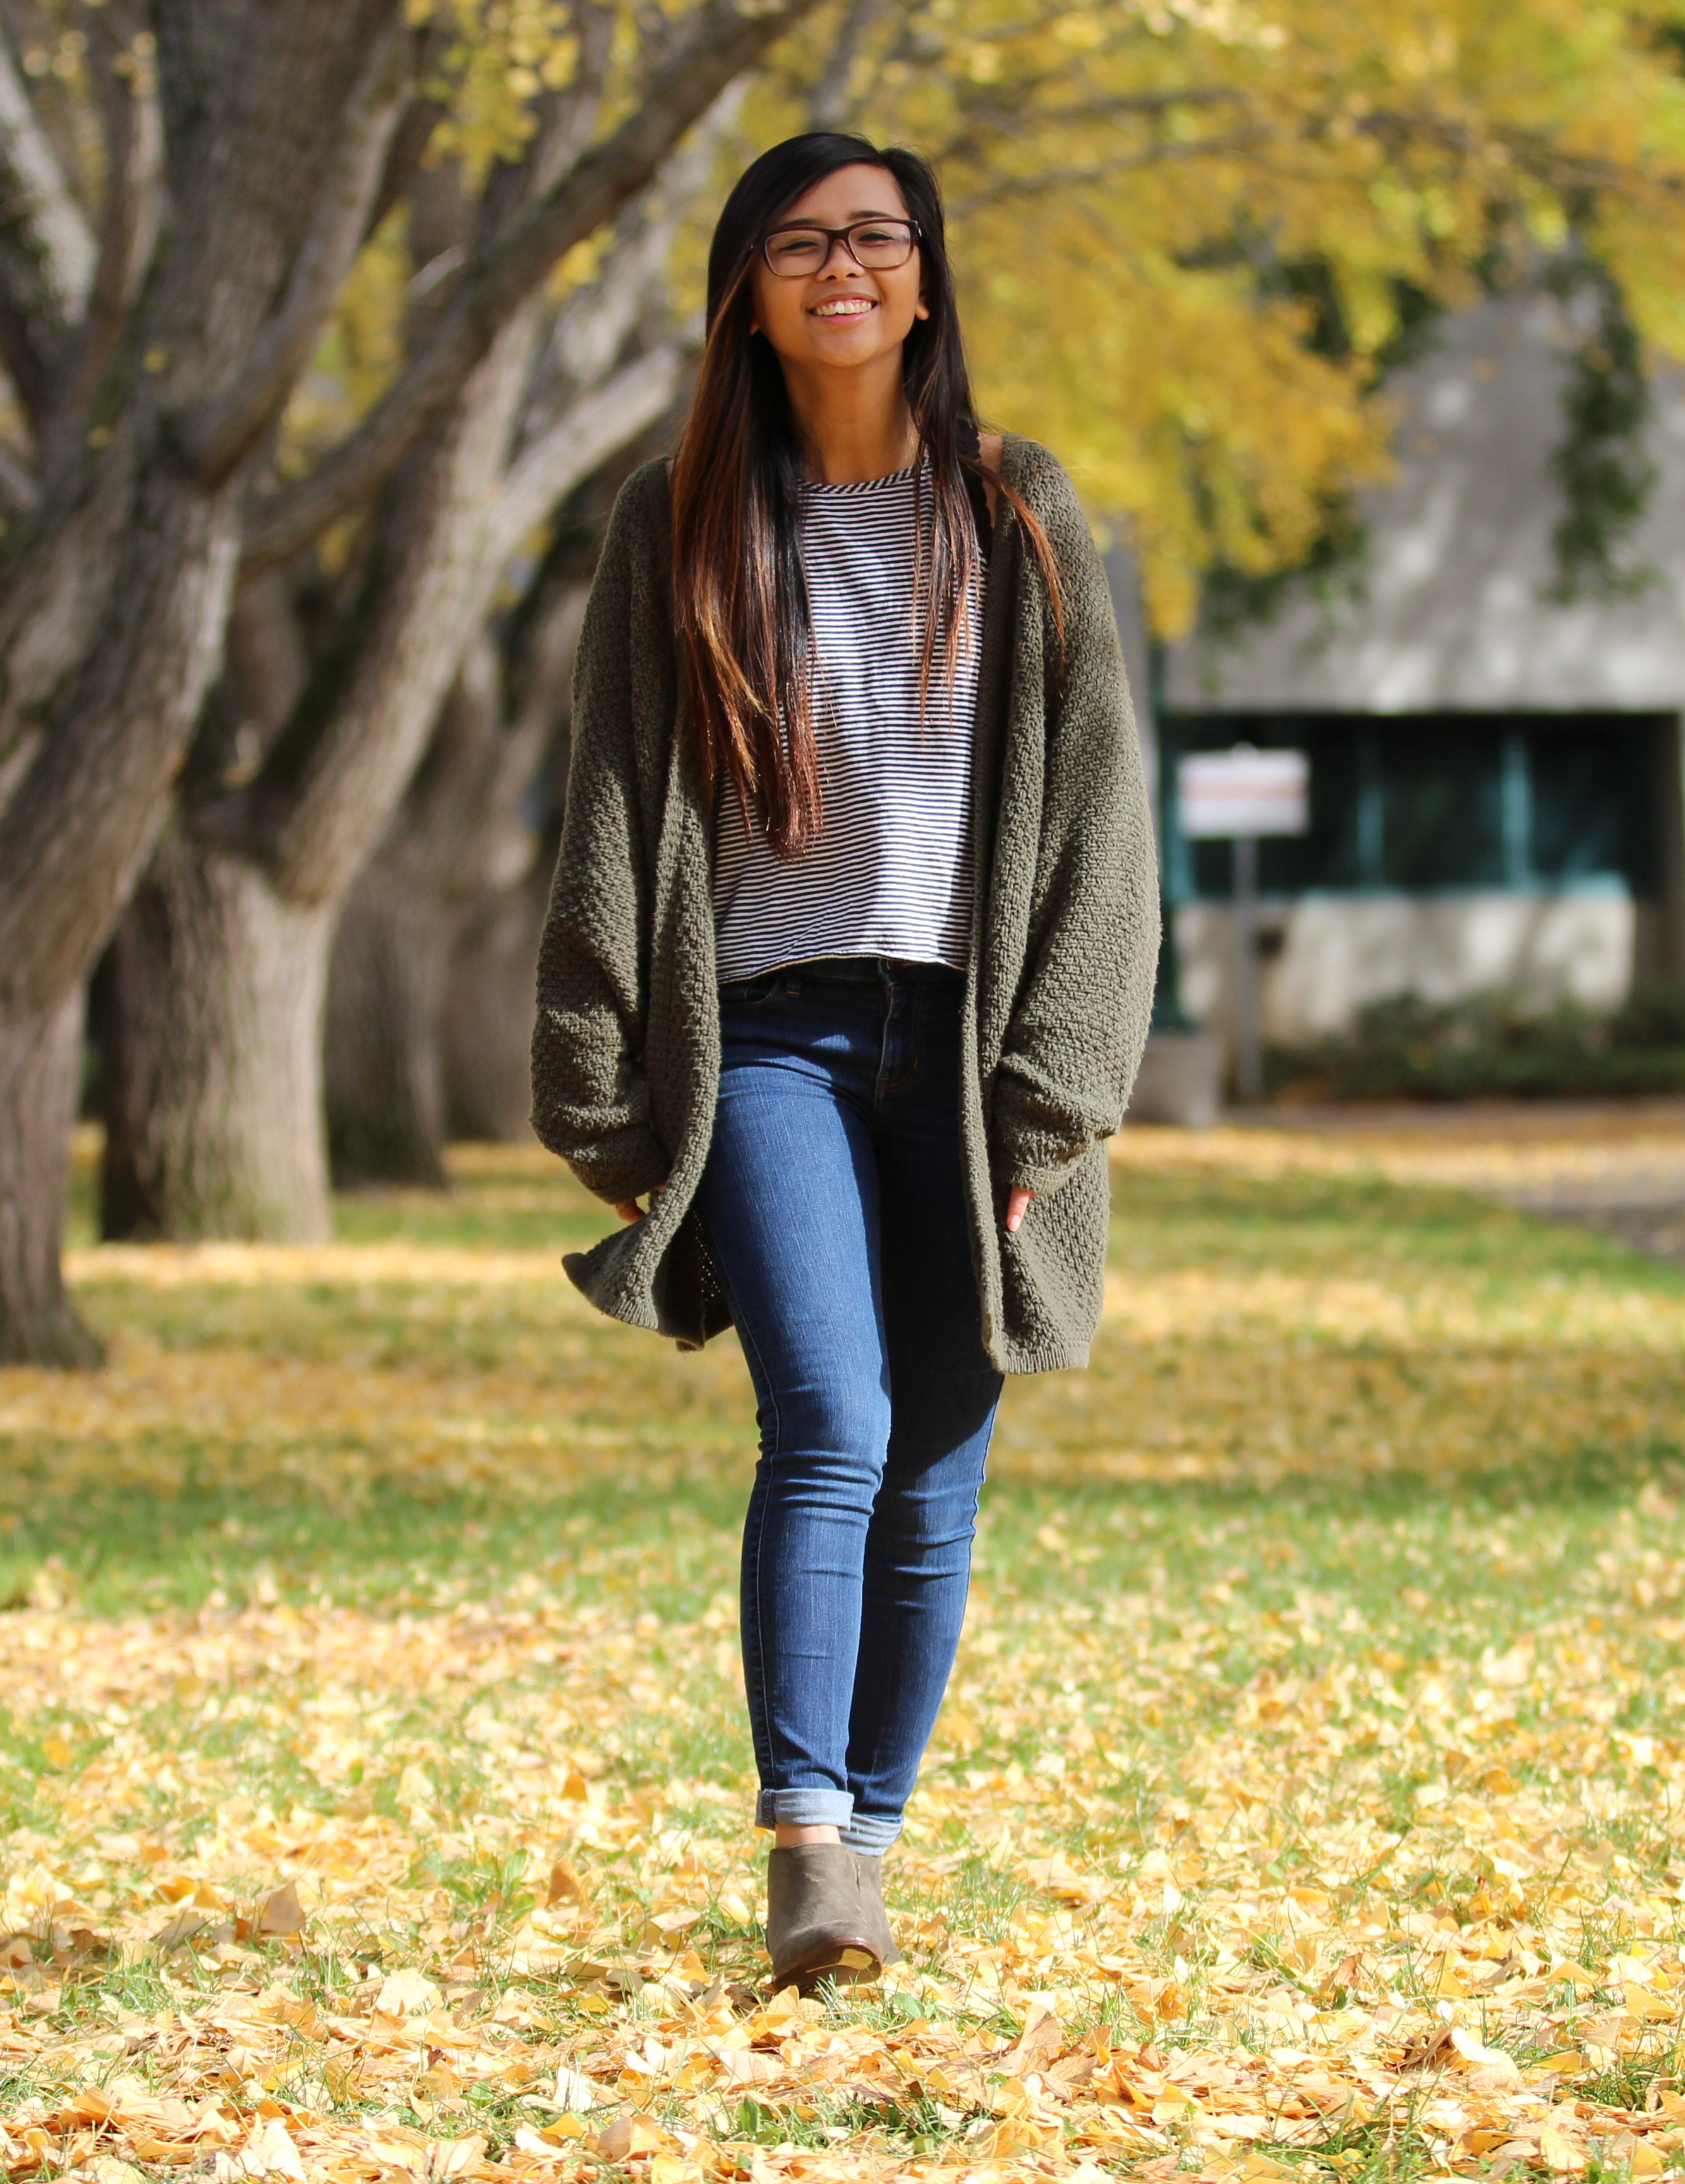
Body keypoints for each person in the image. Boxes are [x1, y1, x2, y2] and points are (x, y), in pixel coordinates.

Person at [530, 135, 1156, 1995]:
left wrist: (1055, 1092)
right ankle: (805, 1840)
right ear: (747, 287)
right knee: (833, 1420)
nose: (843, 268)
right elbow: (611, 802)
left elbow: (1103, 831)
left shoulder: (1021, 510)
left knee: (942, 1458)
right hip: (774, 1036)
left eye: (876, 237)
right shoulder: (678, 520)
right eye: (801, 242)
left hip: (969, 1055)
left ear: (928, 277)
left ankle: (866, 1855)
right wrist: (598, 1081)